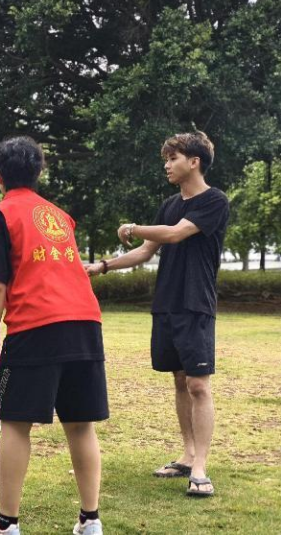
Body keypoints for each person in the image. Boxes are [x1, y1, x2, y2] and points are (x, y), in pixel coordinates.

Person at [0, 136, 107, 536]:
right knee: (80, 424)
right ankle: (90, 520)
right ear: (39, 172)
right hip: (85, 324)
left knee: (14, 423)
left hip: (36, 326)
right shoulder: (61, 216)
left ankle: (6, 524)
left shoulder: (0, 215)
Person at [85, 131, 228, 497]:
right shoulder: (169, 204)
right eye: (166, 159)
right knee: (179, 381)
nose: (167, 165)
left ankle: (201, 467)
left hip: (195, 304)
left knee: (198, 385)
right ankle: (187, 454)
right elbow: (146, 251)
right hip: (166, 303)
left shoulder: (214, 200)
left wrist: (132, 228)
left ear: (194, 161)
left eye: (172, 158)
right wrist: (103, 266)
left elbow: (176, 234)